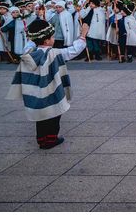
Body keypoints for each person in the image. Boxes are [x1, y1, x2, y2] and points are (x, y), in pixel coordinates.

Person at [6, 19, 90, 149]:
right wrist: (83, 35)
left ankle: (41, 140)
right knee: (54, 115)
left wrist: (33, 33)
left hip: (36, 93)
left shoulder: (28, 52)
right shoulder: (55, 53)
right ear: (46, 40)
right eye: (52, 36)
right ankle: (51, 139)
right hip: (51, 91)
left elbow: (29, 43)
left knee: (41, 117)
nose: (54, 38)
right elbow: (73, 50)